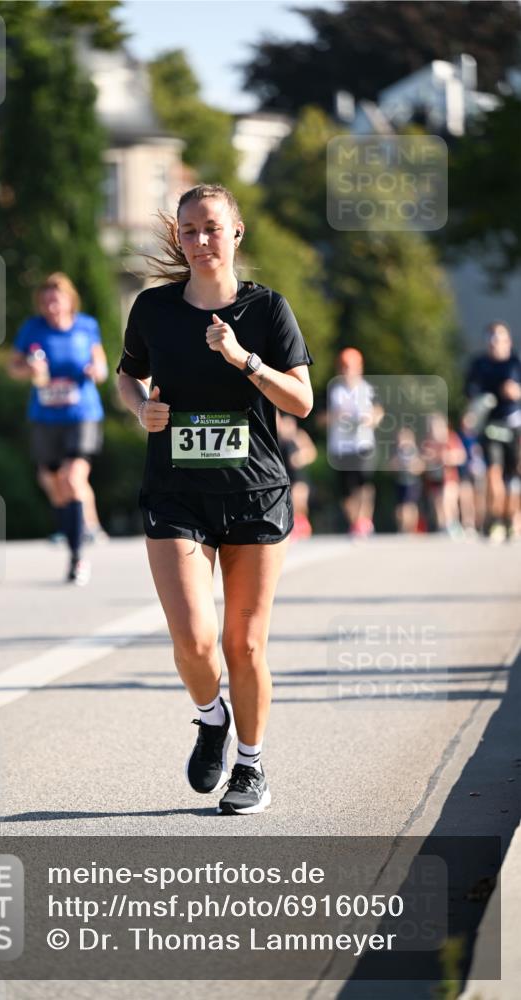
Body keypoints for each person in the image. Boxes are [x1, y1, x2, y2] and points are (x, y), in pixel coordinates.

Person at [117, 184, 313, 815]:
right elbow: (128, 373)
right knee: (195, 641)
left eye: (212, 228)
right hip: (175, 491)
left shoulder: (268, 310)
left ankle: (251, 766)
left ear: (236, 234)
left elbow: (302, 401)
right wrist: (140, 408)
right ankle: (211, 716)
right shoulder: (153, 309)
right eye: (190, 230)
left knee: (244, 645)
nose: (201, 241)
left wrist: (243, 359)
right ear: (179, 237)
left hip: (254, 492)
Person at [9, 272, 108, 582]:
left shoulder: (86, 326)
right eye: (46, 300)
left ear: (69, 301)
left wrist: (95, 370)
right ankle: (75, 528)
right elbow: (13, 368)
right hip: (45, 416)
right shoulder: (32, 329)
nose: (51, 305)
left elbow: (103, 367)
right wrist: (28, 367)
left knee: (73, 476)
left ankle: (78, 557)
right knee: (50, 480)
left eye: (57, 298)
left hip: (82, 413)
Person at [465, 322, 521, 542]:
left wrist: (516, 391)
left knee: (514, 479)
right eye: (492, 339)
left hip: (515, 425)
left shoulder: (516, 363)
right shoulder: (479, 365)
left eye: (500, 339)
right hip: (490, 425)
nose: (495, 343)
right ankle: (495, 518)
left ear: (508, 341)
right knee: (493, 475)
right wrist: (473, 411)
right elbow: (471, 392)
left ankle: (509, 518)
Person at [325, 348, 383, 537]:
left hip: (363, 444)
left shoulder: (368, 389)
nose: (346, 371)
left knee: (364, 485)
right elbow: (317, 416)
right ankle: (355, 522)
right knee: (346, 491)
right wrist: (336, 416)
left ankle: (364, 521)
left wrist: (370, 420)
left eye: (349, 367)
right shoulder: (333, 390)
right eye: (343, 367)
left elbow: (379, 412)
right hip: (340, 446)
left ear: (359, 367)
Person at [276, 411, 317, 539]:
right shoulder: (278, 439)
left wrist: (300, 458)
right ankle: (295, 524)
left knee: (299, 499)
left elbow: (311, 452)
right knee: (289, 501)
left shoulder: (299, 436)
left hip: (299, 475)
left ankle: (302, 522)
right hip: (284, 475)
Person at [391, 426, 424, 534]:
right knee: (401, 507)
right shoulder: (396, 451)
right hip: (400, 482)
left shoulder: (414, 451)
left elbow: (420, 466)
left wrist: (412, 467)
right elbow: (392, 466)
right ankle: (402, 528)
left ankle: (411, 528)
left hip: (412, 483)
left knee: (411, 505)